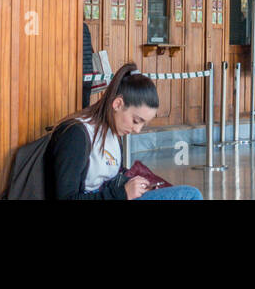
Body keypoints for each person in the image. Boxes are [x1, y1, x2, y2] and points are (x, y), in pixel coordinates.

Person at [44, 63, 202, 200]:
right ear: (118, 104)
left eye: (143, 124)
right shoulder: (76, 134)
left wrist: (131, 182)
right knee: (189, 194)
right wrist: (122, 193)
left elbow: (109, 178)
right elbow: (66, 197)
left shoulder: (112, 132)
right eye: (136, 121)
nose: (137, 130)